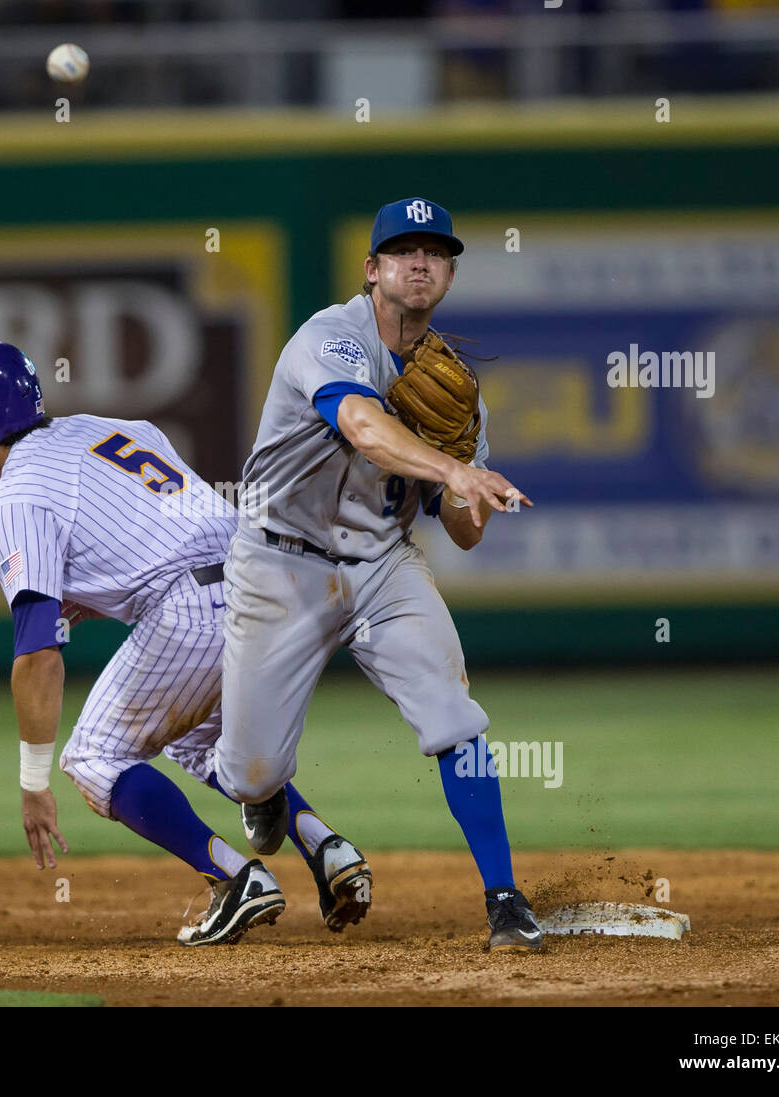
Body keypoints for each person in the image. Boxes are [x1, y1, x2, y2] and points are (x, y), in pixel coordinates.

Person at [0, 340, 373, 946]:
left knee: (94, 759)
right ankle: (328, 849)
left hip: (191, 607)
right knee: (204, 742)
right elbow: (156, 529)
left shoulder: (19, 499)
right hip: (267, 581)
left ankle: (234, 878)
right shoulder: (111, 427)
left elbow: (38, 656)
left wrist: (31, 781)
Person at [213, 198, 545, 952]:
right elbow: (362, 424)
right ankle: (262, 796)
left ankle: (505, 898)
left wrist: (470, 489)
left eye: (435, 251)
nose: (419, 261)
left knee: (452, 711)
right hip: (277, 561)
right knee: (248, 766)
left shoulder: (455, 392)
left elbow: (460, 532)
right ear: (372, 270)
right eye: (402, 250)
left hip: (380, 565)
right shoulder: (328, 337)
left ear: (451, 274)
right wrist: (453, 465)